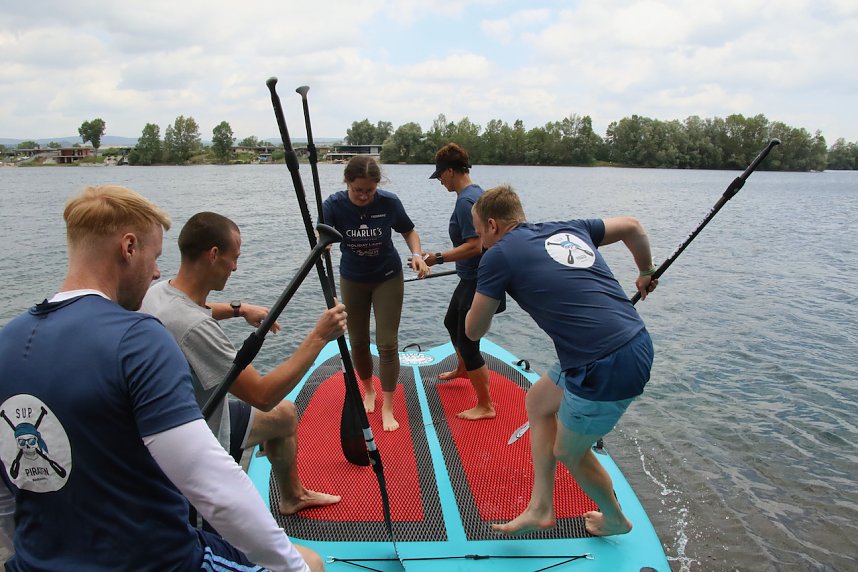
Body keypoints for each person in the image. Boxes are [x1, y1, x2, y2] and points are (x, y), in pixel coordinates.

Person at [0, 185, 322, 571]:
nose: (156, 272)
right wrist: (292, 566)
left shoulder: (8, 341)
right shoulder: (137, 338)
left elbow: (6, 498)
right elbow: (210, 482)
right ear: (129, 247)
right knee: (311, 563)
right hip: (156, 559)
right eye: (155, 257)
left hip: (36, 561)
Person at [465, 185, 658, 537]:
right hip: (629, 342)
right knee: (539, 401)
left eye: (479, 234)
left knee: (569, 451)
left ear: (492, 225)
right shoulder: (569, 227)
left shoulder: (497, 255)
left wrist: (486, 287)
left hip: (604, 363)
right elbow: (632, 225)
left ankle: (616, 519)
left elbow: (474, 331)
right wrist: (646, 269)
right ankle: (540, 507)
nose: (480, 244)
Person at [141, 211, 346, 516]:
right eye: (233, 258)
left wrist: (239, 309)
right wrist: (319, 336)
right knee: (275, 407)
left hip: (175, 420)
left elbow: (197, 307)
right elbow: (263, 396)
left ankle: (292, 497)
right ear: (213, 255)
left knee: (285, 416)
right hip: (200, 439)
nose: (235, 267)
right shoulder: (194, 328)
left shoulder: (158, 293)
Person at [322, 155, 429, 431]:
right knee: (357, 341)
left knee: (387, 343)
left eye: (369, 191)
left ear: (377, 186)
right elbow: (323, 239)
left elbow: (409, 231)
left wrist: (416, 254)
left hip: (387, 277)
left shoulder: (389, 202)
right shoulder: (333, 205)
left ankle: (389, 404)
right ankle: (368, 388)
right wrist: (323, 246)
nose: (363, 196)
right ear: (347, 182)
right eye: (357, 190)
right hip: (353, 278)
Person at [423, 143, 495, 420]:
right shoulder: (474, 194)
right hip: (471, 278)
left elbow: (475, 246)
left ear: (450, 171)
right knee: (450, 322)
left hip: (478, 280)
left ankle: (486, 405)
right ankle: (464, 369)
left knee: (467, 340)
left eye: (440, 176)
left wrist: (437, 257)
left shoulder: (467, 201)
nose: (440, 181)